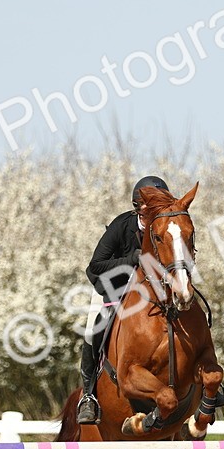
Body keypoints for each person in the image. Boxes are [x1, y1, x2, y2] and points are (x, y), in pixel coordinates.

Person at [76, 176, 171, 424]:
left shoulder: (164, 227)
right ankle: (88, 396)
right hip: (113, 288)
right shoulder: (122, 226)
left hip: (152, 294)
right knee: (93, 330)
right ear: (138, 207)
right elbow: (95, 265)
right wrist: (132, 258)